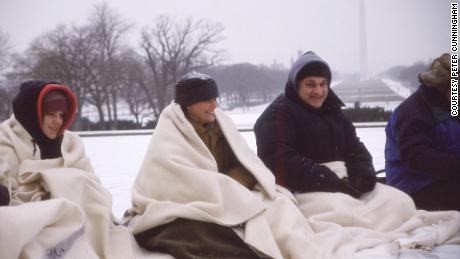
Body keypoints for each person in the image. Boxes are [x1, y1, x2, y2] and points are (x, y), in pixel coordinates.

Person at [127, 72, 319, 259]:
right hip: (185, 204)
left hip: (228, 195)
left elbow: (247, 165)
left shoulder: (221, 126)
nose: (214, 105)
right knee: (198, 235)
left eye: (215, 98)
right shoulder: (170, 134)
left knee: (279, 206)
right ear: (188, 104)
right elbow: (174, 181)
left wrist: (226, 186)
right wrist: (221, 187)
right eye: (207, 99)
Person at [0, 80, 139, 258]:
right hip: (32, 217)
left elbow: (91, 188)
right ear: (33, 114)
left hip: (79, 217)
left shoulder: (71, 143)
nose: (57, 122)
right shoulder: (6, 140)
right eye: (51, 114)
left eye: (62, 115)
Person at [254, 51, 376, 198]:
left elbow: (354, 148)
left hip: (343, 185)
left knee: (398, 202)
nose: (318, 91)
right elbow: (279, 161)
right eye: (310, 85)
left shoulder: (333, 111)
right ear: (296, 85)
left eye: (323, 84)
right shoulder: (277, 115)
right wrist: (330, 181)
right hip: (303, 191)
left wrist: (363, 174)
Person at [385, 53, 460, 211]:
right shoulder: (413, 111)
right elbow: (415, 156)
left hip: (443, 179)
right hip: (414, 188)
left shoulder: (449, 104)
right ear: (442, 86)